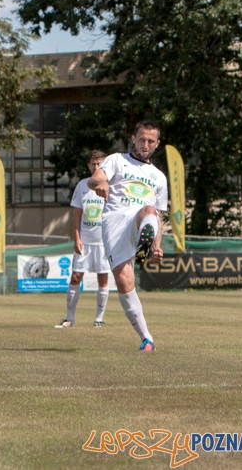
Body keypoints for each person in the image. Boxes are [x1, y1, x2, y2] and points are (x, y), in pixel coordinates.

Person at [88, 121, 167, 351]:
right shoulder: (117, 160)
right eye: (141, 139)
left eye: (150, 141)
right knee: (123, 281)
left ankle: (144, 247)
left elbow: (159, 214)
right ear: (133, 139)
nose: (145, 144)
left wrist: (157, 246)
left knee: (149, 209)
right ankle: (146, 338)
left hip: (142, 218)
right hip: (114, 221)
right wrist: (102, 183)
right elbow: (94, 178)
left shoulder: (159, 177)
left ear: (157, 144)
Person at [55, 150, 111, 329]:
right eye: (93, 164)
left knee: (103, 278)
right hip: (85, 241)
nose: (96, 167)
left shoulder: (111, 185)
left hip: (103, 242)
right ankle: (70, 319)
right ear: (88, 166)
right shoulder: (82, 186)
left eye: (99, 164)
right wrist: (77, 238)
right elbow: (77, 214)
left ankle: (99, 320)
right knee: (75, 276)